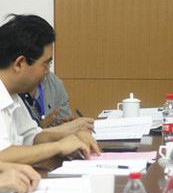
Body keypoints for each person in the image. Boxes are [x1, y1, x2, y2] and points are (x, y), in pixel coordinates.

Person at [0, 14, 100, 165]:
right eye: (46, 64)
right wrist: (59, 146)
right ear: (20, 63)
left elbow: (32, 137)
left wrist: (71, 137)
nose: (47, 72)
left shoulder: (13, 95)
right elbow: (2, 155)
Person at [20, 72, 94, 133]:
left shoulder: (53, 82)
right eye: (44, 64)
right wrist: (41, 126)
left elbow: (64, 124)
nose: (47, 71)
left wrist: (62, 128)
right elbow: (20, 137)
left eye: (48, 63)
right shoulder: (14, 90)